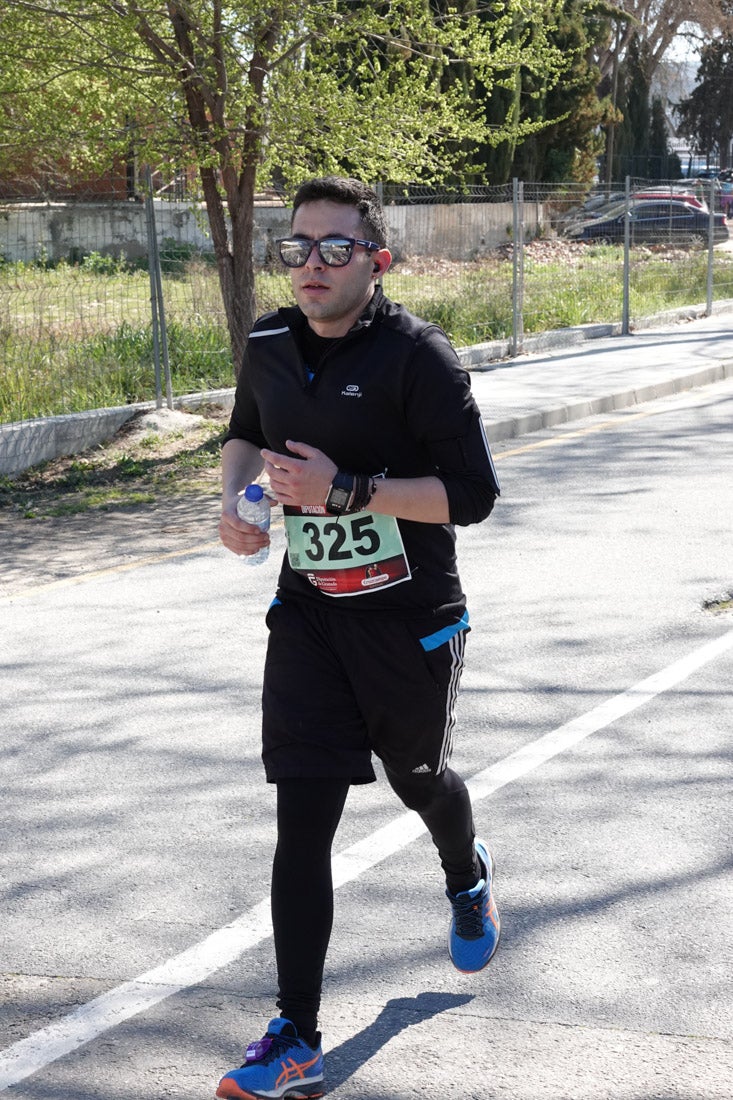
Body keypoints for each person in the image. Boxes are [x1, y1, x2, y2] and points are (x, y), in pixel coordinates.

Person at [216, 176, 502, 1100]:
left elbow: (471, 498)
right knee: (301, 814)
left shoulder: (418, 357)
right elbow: (246, 434)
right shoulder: (265, 341)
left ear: (375, 261)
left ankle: (464, 872)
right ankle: (294, 1033)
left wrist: (349, 490)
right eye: (296, 245)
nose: (310, 263)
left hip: (407, 618)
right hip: (309, 614)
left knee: (416, 779)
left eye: (334, 247)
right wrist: (234, 503)